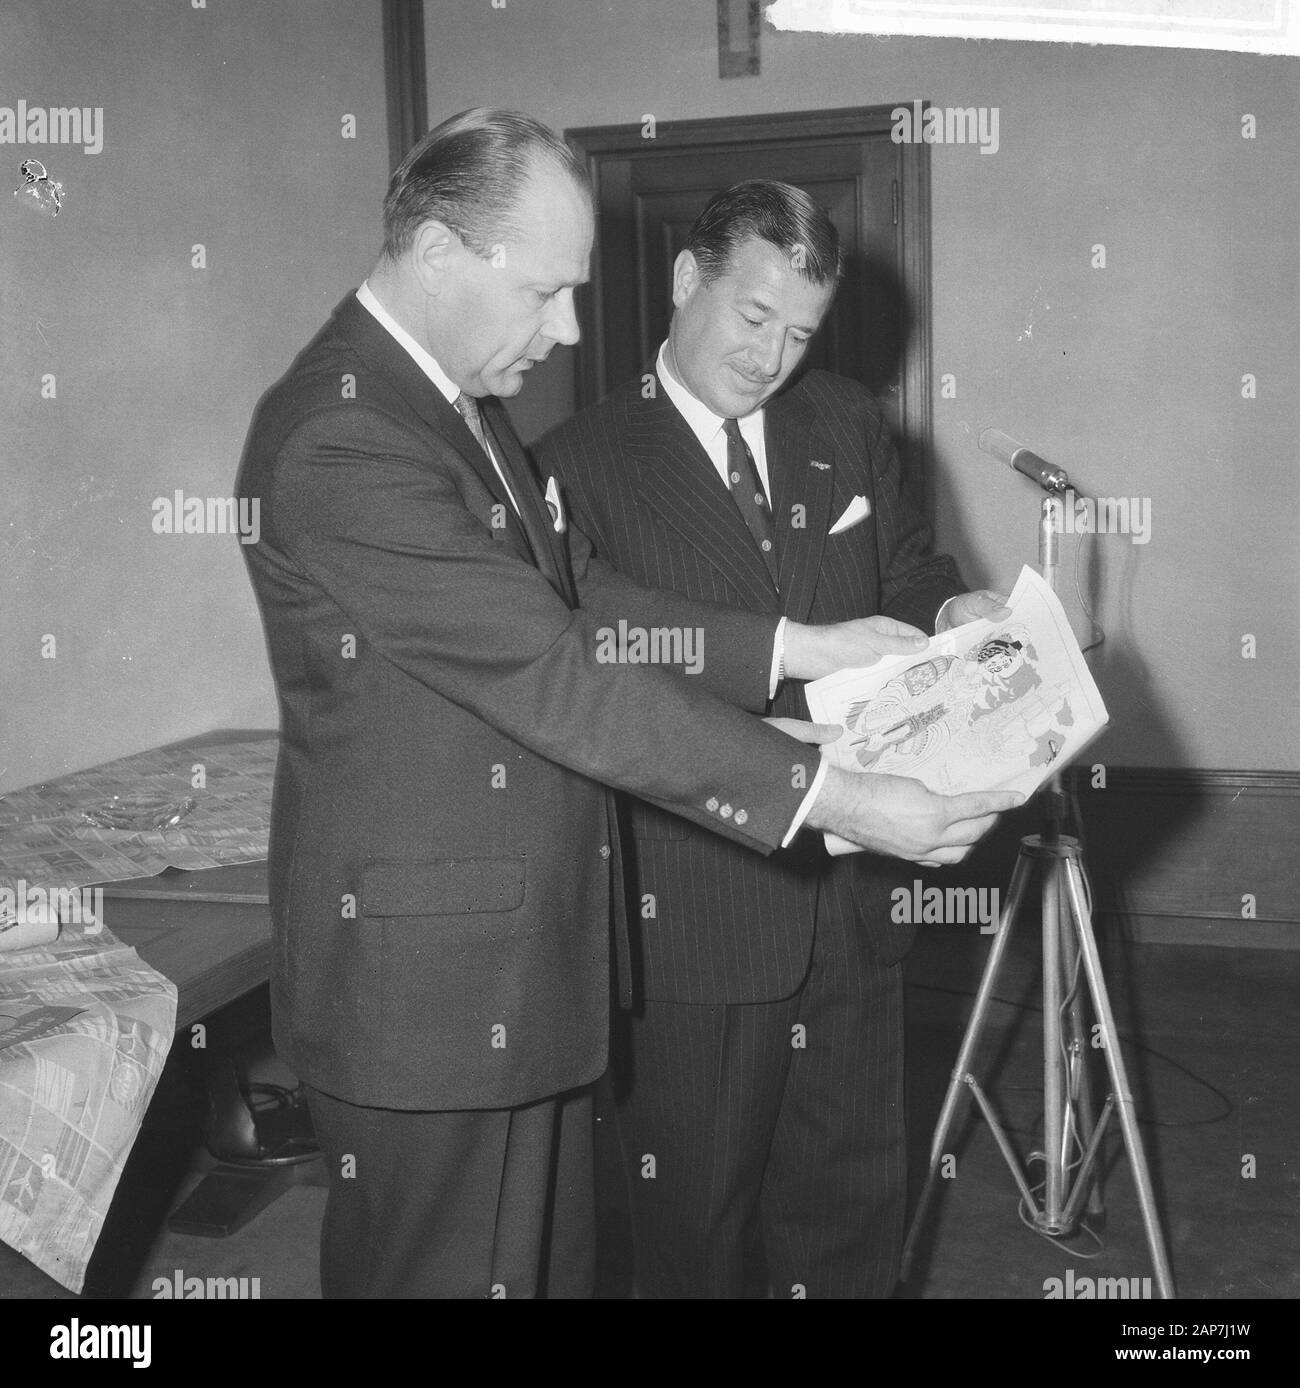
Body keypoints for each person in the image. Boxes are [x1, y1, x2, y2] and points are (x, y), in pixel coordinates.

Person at [236, 115, 1016, 1299]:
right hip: (434, 995)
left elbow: (585, 597)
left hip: (525, 964)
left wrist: (797, 647)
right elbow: (557, 667)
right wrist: (831, 792)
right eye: (545, 292)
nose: (566, 331)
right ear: (440, 251)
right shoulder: (347, 434)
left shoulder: (451, 410)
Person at [537, 180, 1009, 1298]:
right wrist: (793, 646)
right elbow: (603, 650)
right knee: (690, 1227)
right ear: (686, 281)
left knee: (848, 1215)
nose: (771, 358)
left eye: (798, 333)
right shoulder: (574, 463)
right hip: (695, 916)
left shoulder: (842, 420)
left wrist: (952, 613)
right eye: (753, 318)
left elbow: (904, 567)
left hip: (854, 910)